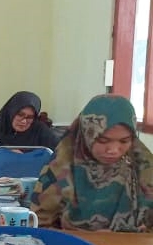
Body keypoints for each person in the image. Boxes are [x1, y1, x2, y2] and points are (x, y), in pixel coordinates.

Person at [31, 94, 153, 232]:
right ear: (87, 134)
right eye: (103, 140)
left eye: (124, 141)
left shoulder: (143, 168)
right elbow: (38, 225)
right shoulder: (61, 167)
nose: (113, 150)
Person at [0, 91, 59, 160]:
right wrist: (0, 155)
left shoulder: (40, 129)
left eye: (30, 117)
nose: (24, 121)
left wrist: (30, 157)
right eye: (20, 115)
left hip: (31, 176)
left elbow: (60, 152)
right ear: (11, 112)